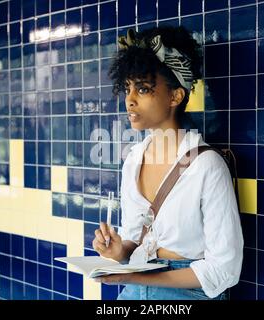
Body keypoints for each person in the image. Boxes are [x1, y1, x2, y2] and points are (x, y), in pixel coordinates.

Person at [91, 26, 244, 300]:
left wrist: (133, 275)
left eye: (143, 88)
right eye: (127, 88)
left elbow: (225, 269)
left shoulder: (206, 165)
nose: (130, 100)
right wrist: (119, 251)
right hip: (132, 292)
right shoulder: (133, 160)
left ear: (175, 96)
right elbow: (134, 240)